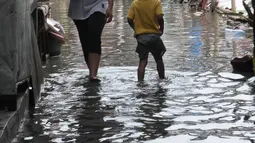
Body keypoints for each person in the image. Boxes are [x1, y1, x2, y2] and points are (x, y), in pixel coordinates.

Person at [68, 0, 114, 81]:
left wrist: (110, 7)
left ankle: (93, 75)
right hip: (78, 8)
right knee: (85, 41)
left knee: (94, 36)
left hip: (99, 4)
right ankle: (91, 72)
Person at [127, 0, 166, 82]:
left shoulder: (135, 3)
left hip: (142, 38)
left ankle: (140, 82)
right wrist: (161, 29)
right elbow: (160, 17)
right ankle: (162, 79)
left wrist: (136, 29)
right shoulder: (156, 2)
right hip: (154, 36)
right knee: (158, 59)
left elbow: (129, 19)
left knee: (142, 61)